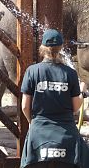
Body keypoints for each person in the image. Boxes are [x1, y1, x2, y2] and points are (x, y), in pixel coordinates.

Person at [20, 28, 89, 168]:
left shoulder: (32, 71)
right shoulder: (70, 73)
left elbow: (25, 106)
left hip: (38, 136)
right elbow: (76, 108)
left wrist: (33, 123)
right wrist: (82, 92)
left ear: (42, 47)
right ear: (61, 48)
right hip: (66, 136)